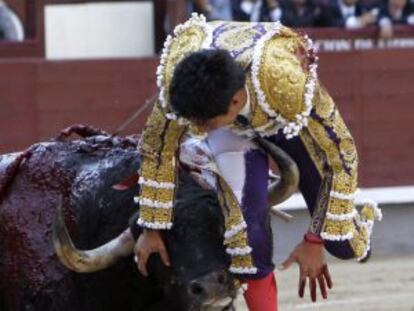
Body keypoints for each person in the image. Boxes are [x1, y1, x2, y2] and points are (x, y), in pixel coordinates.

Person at [133, 14, 381, 310]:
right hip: (233, 131)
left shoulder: (286, 80)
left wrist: (315, 240)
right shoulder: (180, 82)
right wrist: (151, 228)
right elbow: (157, 148)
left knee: (342, 243)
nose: (197, 131)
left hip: (288, 122)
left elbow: (341, 156)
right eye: (192, 123)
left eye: (205, 123)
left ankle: (358, 219)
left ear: (236, 102)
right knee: (246, 239)